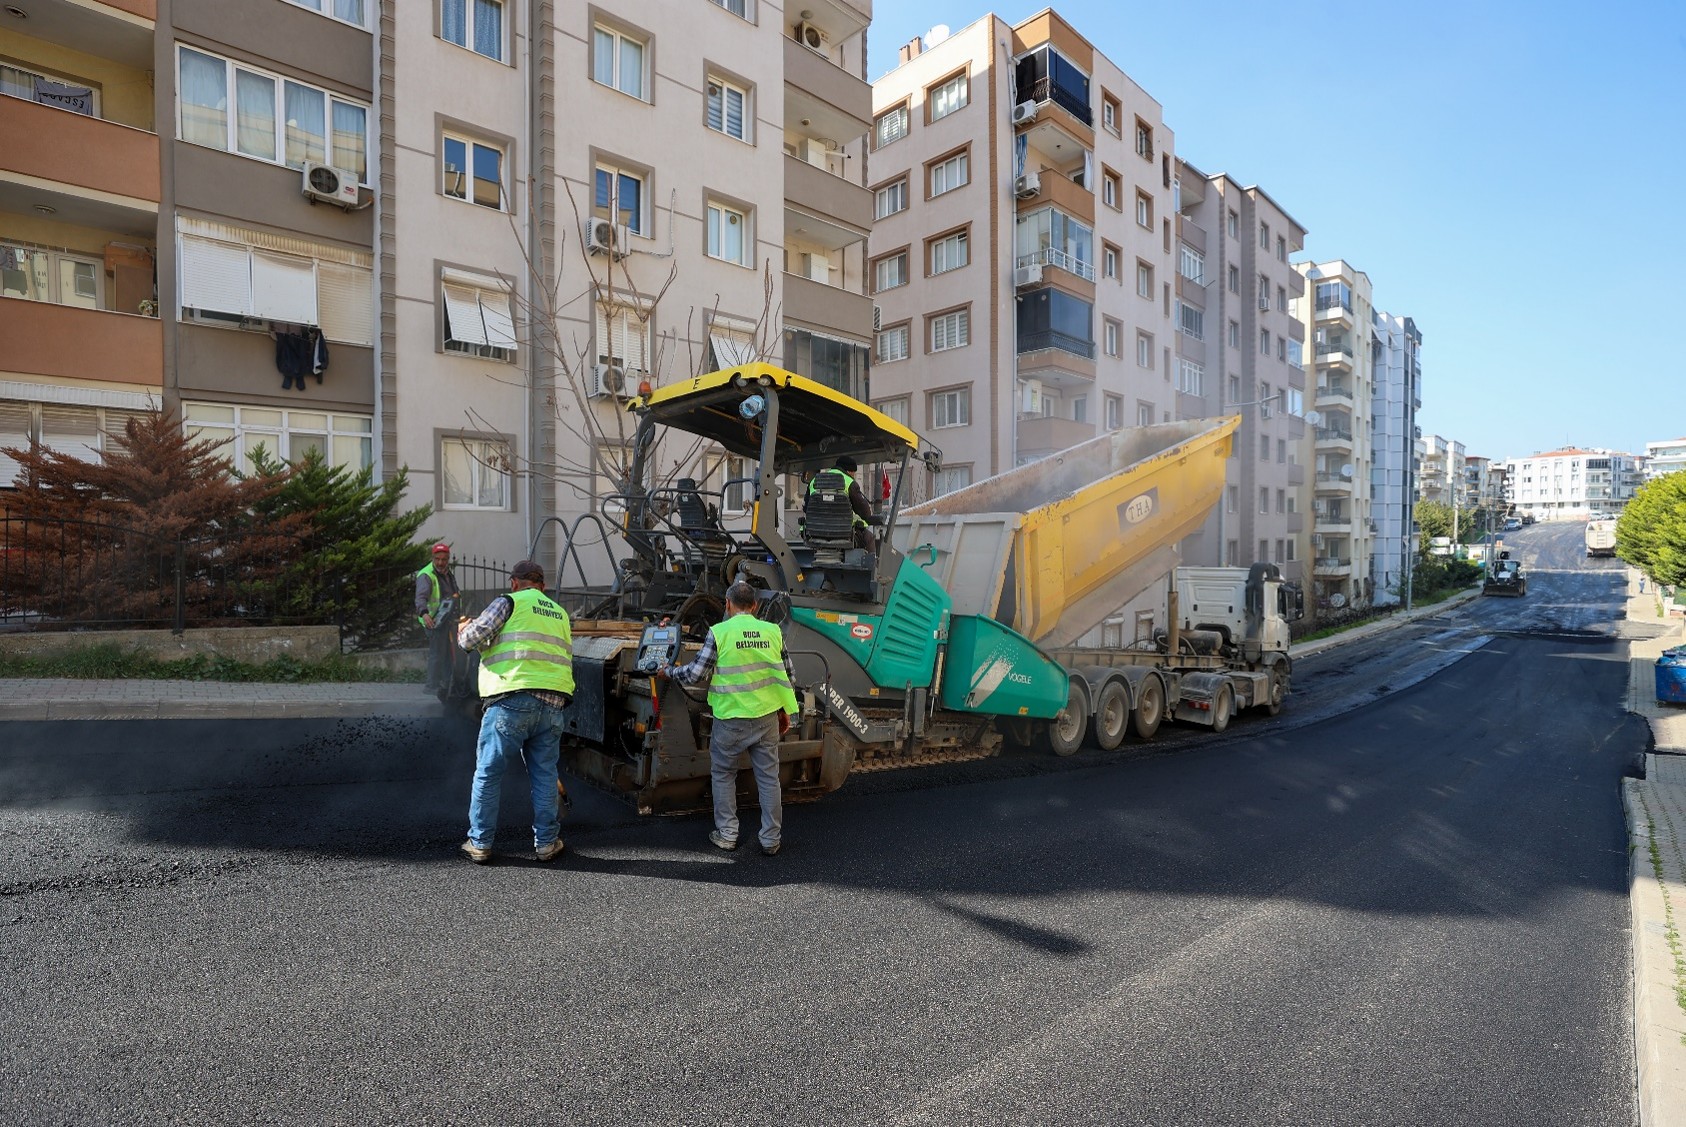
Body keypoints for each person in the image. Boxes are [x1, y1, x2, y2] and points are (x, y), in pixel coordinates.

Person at [660, 581, 798, 856]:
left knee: (724, 774)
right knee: (769, 778)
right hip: (766, 717)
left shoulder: (719, 632)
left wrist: (669, 672)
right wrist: (784, 711)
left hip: (731, 719)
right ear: (756, 606)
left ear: (727, 604)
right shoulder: (773, 632)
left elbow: (696, 674)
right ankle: (770, 839)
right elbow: (788, 677)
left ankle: (727, 834)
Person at [454, 559, 574, 864]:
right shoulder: (559, 613)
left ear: (514, 583)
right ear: (543, 586)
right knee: (545, 774)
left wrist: (464, 628)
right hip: (553, 704)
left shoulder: (507, 602)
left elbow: (470, 640)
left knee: (489, 772)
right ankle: (547, 843)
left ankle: (479, 842)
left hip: (512, 700)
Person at [415, 542, 461, 694]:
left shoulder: (447, 572)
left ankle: (447, 684)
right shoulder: (426, 575)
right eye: (437, 559)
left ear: (448, 559)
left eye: (444, 559)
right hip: (433, 620)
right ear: (432, 558)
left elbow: (453, 593)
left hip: (445, 619)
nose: (441, 562)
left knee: (447, 653)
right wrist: (424, 613)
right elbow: (420, 597)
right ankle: (431, 686)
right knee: (438, 653)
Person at [805, 454, 876, 550]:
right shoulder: (849, 482)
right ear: (849, 471)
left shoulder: (814, 481)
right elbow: (865, 513)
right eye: (853, 473)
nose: (853, 476)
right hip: (844, 534)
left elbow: (807, 508)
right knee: (869, 538)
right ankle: (871, 565)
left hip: (815, 534)